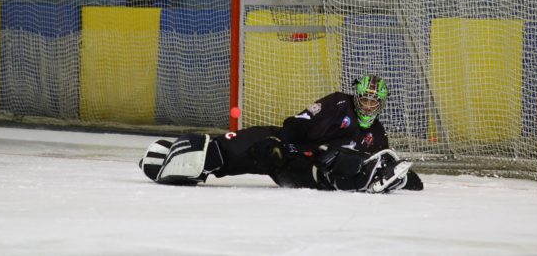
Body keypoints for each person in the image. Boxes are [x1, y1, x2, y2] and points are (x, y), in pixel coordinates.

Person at [139, 75, 423, 193]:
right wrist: (286, 143)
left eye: (374, 102)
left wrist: (407, 179)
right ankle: (197, 163)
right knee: (260, 145)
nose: (368, 105)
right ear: (357, 96)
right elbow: (298, 122)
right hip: (288, 144)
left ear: (381, 105)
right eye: (365, 99)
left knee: (333, 168)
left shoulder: (377, 133)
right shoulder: (338, 102)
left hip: (308, 168)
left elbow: (384, 163)